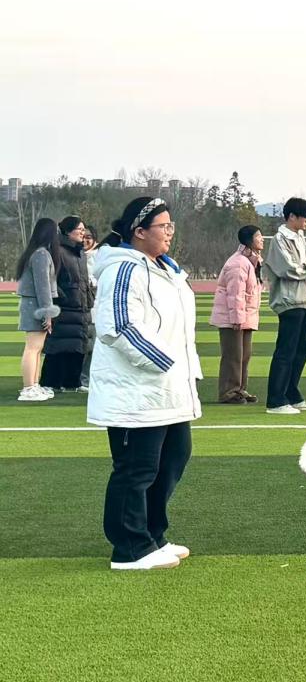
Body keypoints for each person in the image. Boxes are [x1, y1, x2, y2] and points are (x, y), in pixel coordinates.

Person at [88, 197, 202, 570]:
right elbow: (119, 325)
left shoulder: (165, 269)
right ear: (139, 232)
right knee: (136, 468)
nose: (170, 233)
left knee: (173, 459)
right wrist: (163, 363)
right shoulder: (124, 269)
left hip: (167, 389)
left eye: (171, 226)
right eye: (163, 226)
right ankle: (129, 547)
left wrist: (182, 371)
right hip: (135, 389)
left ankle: (152, 535)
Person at [263, 197, 306, 415]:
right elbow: (286, 268)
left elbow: (305, 260)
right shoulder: (280, 239)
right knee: (286, 350)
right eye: (305, 217)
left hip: (304, 297)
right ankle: (275, 400)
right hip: (289, 299)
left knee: (301, 350)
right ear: (292, 217)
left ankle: (292, 393)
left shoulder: (299, 236)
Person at [40, 216, 95, 393]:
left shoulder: (80, 253)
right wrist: (62, 297)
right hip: (64, 308)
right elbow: (50, 279)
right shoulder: (57, 251)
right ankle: (51, 382)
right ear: (67, 231)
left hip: (81, 307)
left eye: (84, 229)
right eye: (79, 229)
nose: (83, 233)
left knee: (78, 346)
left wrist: (89, 297)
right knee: (59, 346)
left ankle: (73, 382)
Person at [210, 226, 264, 404]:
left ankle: (239, 389)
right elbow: (235, 294)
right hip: (232, 318)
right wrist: (237, 318)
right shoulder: (238, 263)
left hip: (244, 316)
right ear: (249, 240)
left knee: (244, 355)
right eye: (258, 236)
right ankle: (228, 392)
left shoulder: (251, 261)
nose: (262, 239)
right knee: (233, 355)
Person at [15, 218, 61, 402]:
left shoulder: (36, 253)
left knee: (36, 348)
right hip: (35, 306)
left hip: (34, 305)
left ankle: (33, 385)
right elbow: (43, 287)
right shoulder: (41, 254)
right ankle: (28, 388)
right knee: (32, 347)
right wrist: (47, 313)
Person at [80, 224, 99, 389]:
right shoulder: (76, 255)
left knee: (93, 348)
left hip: (96, 311)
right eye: (83, 237)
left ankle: (88, 380)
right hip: (82, 311)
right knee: (85, 348)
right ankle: (82, 380)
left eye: (89, 237)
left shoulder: (100, 256)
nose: (85, 240)